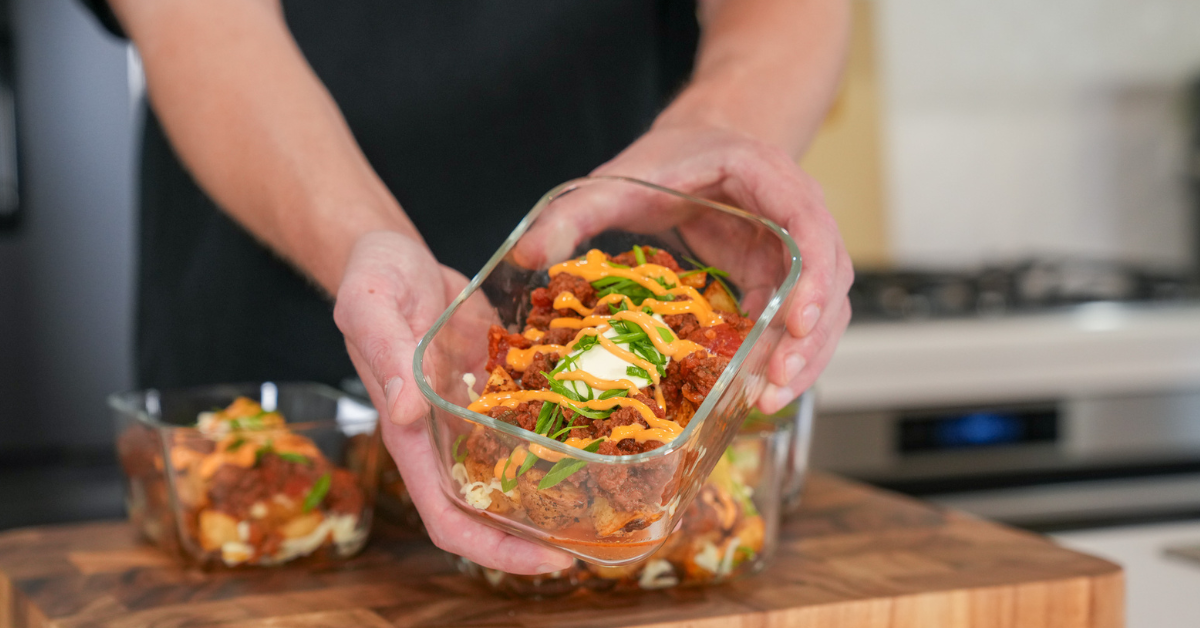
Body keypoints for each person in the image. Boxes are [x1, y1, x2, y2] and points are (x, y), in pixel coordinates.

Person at [82, 0, 854, 574]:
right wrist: (357, 237)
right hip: (278, 294)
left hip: (628, 276)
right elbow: (203, 26)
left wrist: (720, 124)